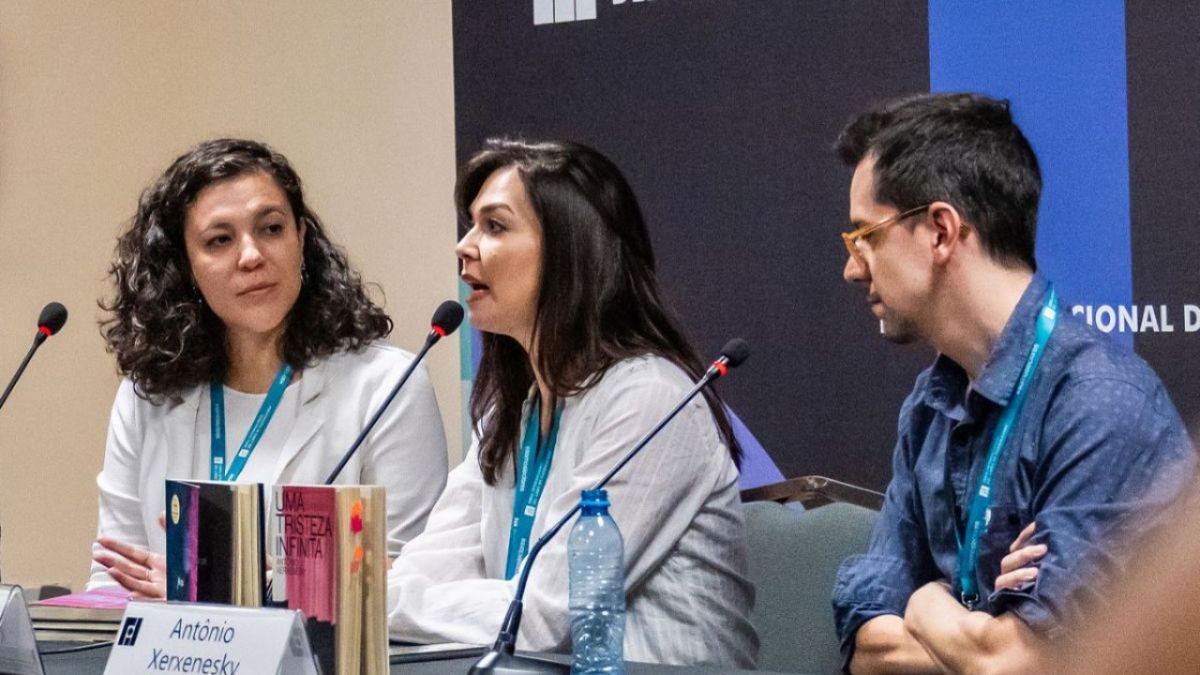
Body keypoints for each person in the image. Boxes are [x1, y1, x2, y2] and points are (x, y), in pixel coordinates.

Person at [830, 93, 1195, 674]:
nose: (852, 267)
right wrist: (978, 632)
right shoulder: (929, 405)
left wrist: (925, 604)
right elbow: (868, 645)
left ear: (941, 232)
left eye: (863, 236)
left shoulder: (1101, 403)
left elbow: (1017, 665)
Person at [386, 138, 758, 666]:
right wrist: (388, 594)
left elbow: (545, 615)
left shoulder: (648, 399)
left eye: (494, 226)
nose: (464, 246)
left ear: (569, 250)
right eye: (471, 225)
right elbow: (435, 560)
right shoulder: (509, 414)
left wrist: (381, 598)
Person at [90, 138, 448, 597]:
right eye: (220, 240)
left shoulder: (385, 387)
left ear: (302, 238)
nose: (252, 255)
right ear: (183, 266)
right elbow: (115, 579)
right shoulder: (148, 393)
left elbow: (410, 580)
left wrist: (249, 589)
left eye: (271, 229)